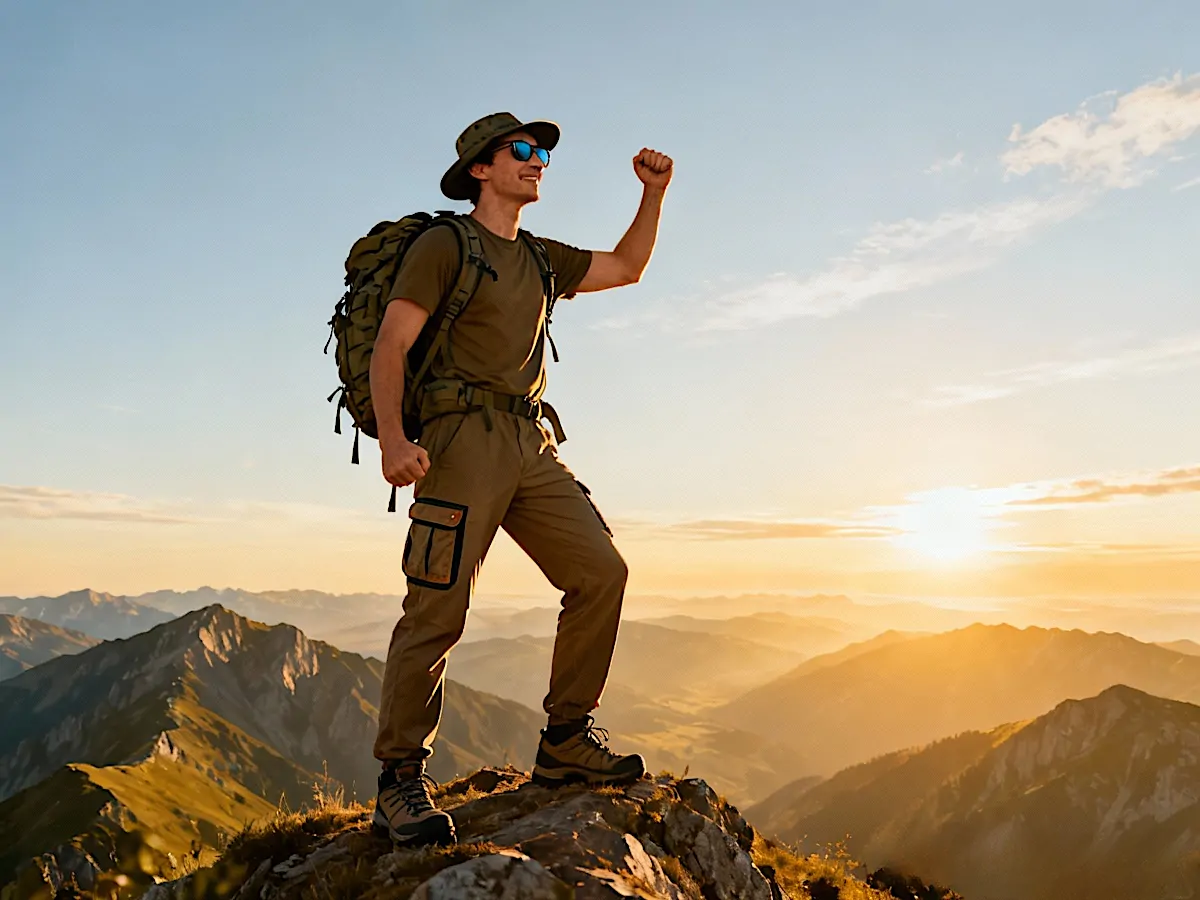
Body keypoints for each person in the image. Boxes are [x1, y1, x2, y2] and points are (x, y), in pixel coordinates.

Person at [368, 112, 673, 847]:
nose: (539, 162)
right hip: (460, 439)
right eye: (524, 150)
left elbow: (625, 267)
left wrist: (653, 194)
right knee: (438, 610)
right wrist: (393, 440)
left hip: (530, 440)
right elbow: (392, 342)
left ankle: (565, 741)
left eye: (543, 154)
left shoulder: (540, 257)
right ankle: (398, 781)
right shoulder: (446, 245)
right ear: (481, 168)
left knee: (601, 572)